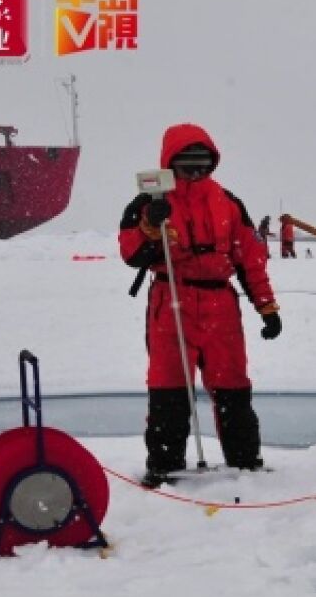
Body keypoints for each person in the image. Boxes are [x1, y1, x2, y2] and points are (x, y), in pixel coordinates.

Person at [118, 123, 282, 483]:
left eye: (201, 162)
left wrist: (267, 308)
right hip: (171, 298)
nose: (195, 169)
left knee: (233, 384)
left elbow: (250, 259)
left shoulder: (229, 203)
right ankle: (165, 464)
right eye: (186, 162)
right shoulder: (150, 203)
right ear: (170, 162)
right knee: (169, 386)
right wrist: (148, 227)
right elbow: (130, 253)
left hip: (220, 303)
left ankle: (244, 460)